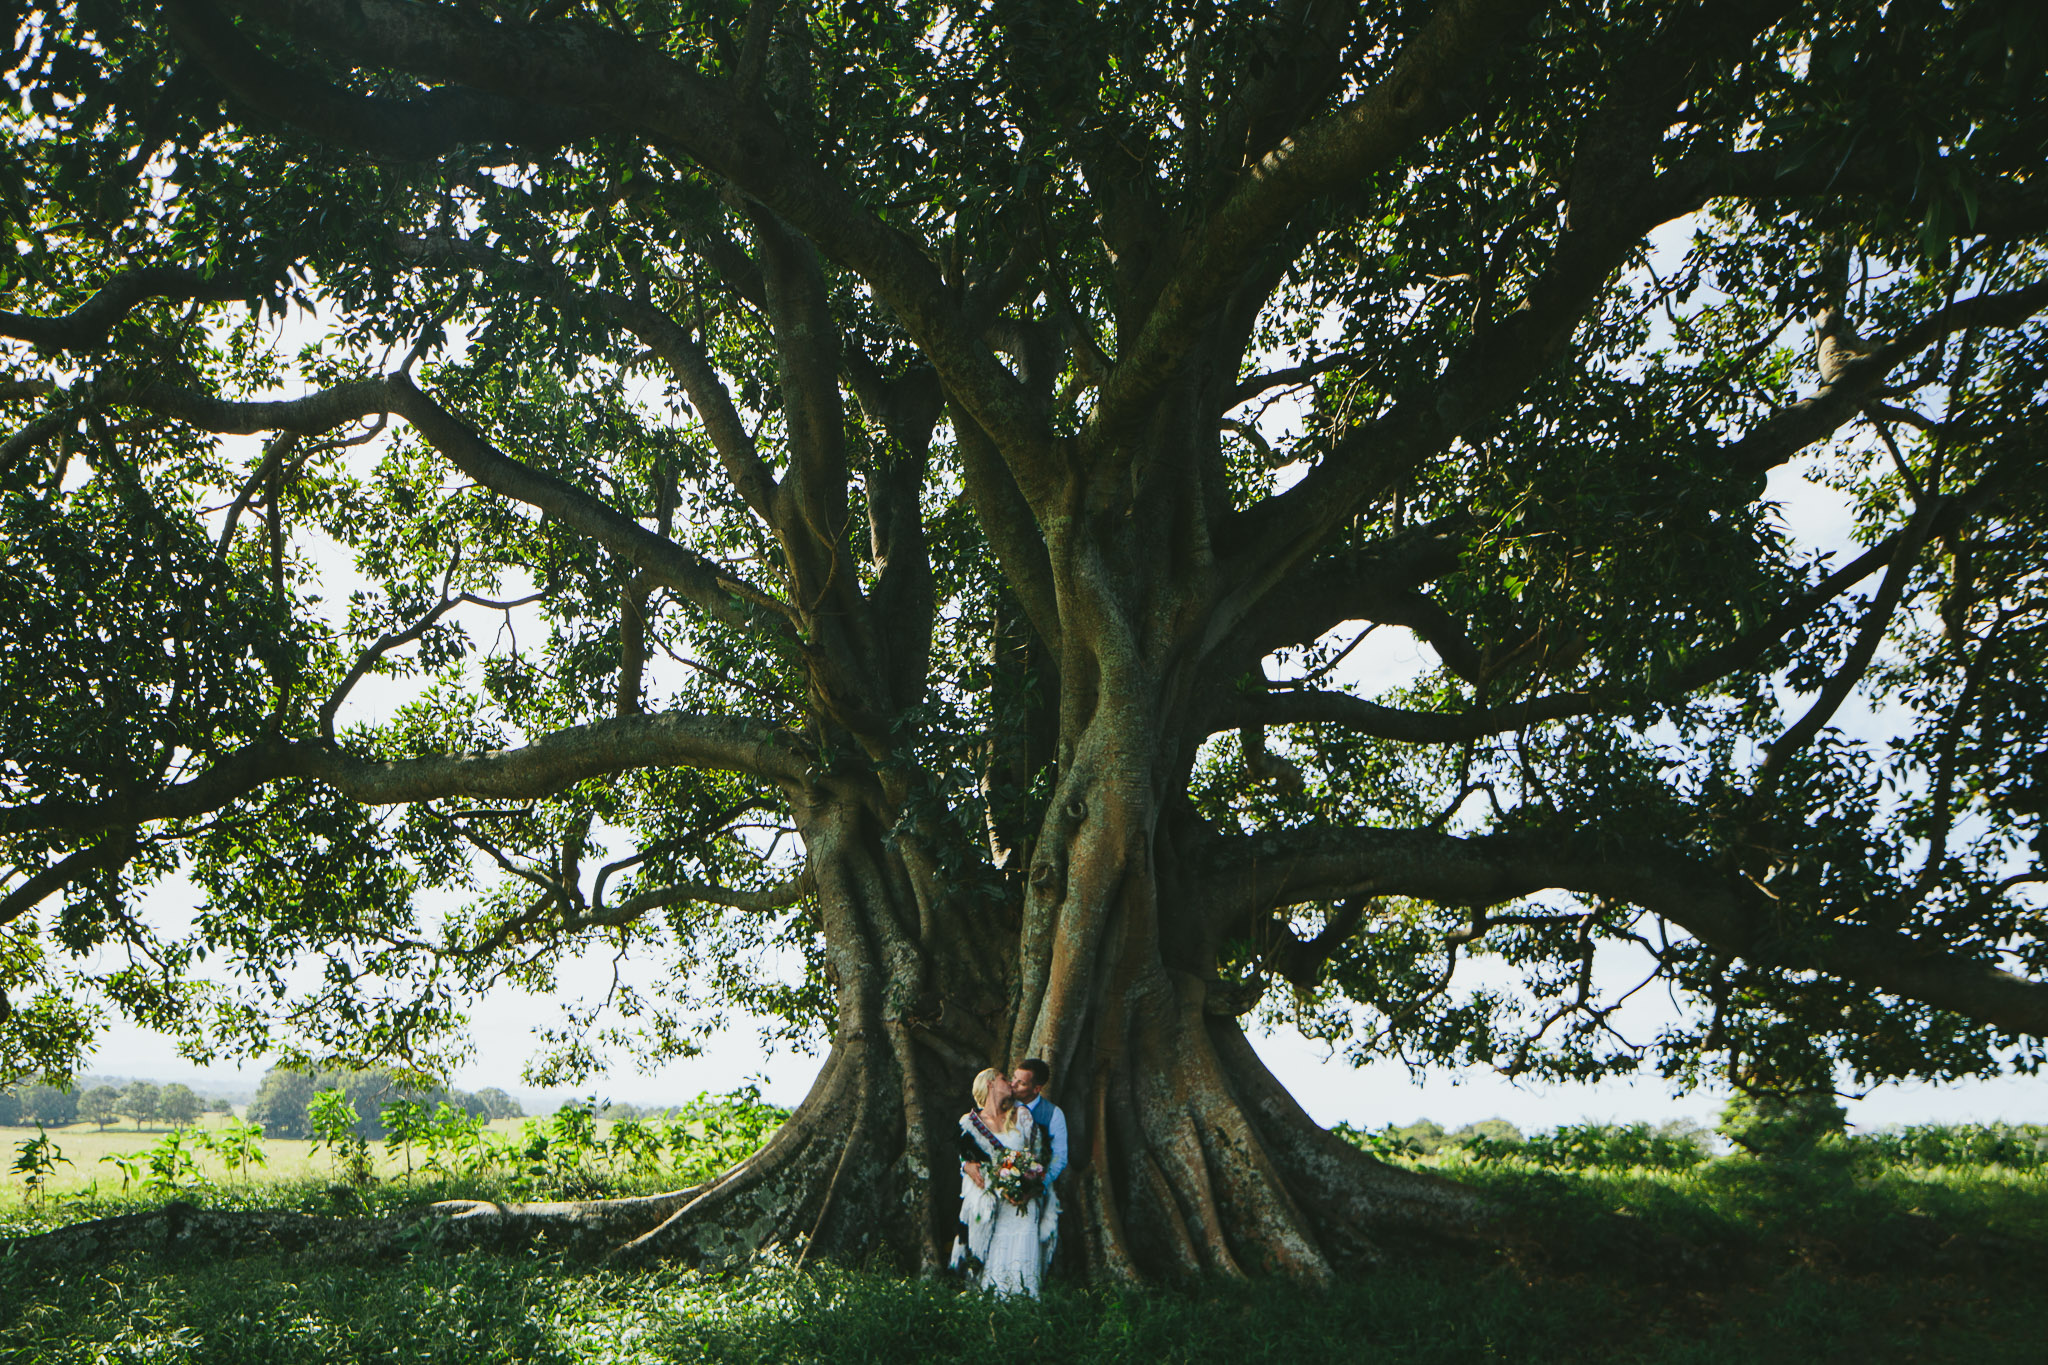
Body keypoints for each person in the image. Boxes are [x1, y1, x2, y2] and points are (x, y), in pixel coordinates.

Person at [949, 1066, 1056, 1297]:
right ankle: (994, 1302)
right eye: (1003, 1079)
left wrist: (1030, 1184)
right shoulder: (970, 1123)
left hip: (1025, 1199)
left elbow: (1038, 1156)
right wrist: (965, 1165)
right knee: (996, 1246)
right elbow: (965, 1157)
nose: (1010, 1083)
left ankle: (1026, 1301)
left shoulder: (1022, 1115)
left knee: (1025, 1238)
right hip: (993, 1199)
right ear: (989, 1084)